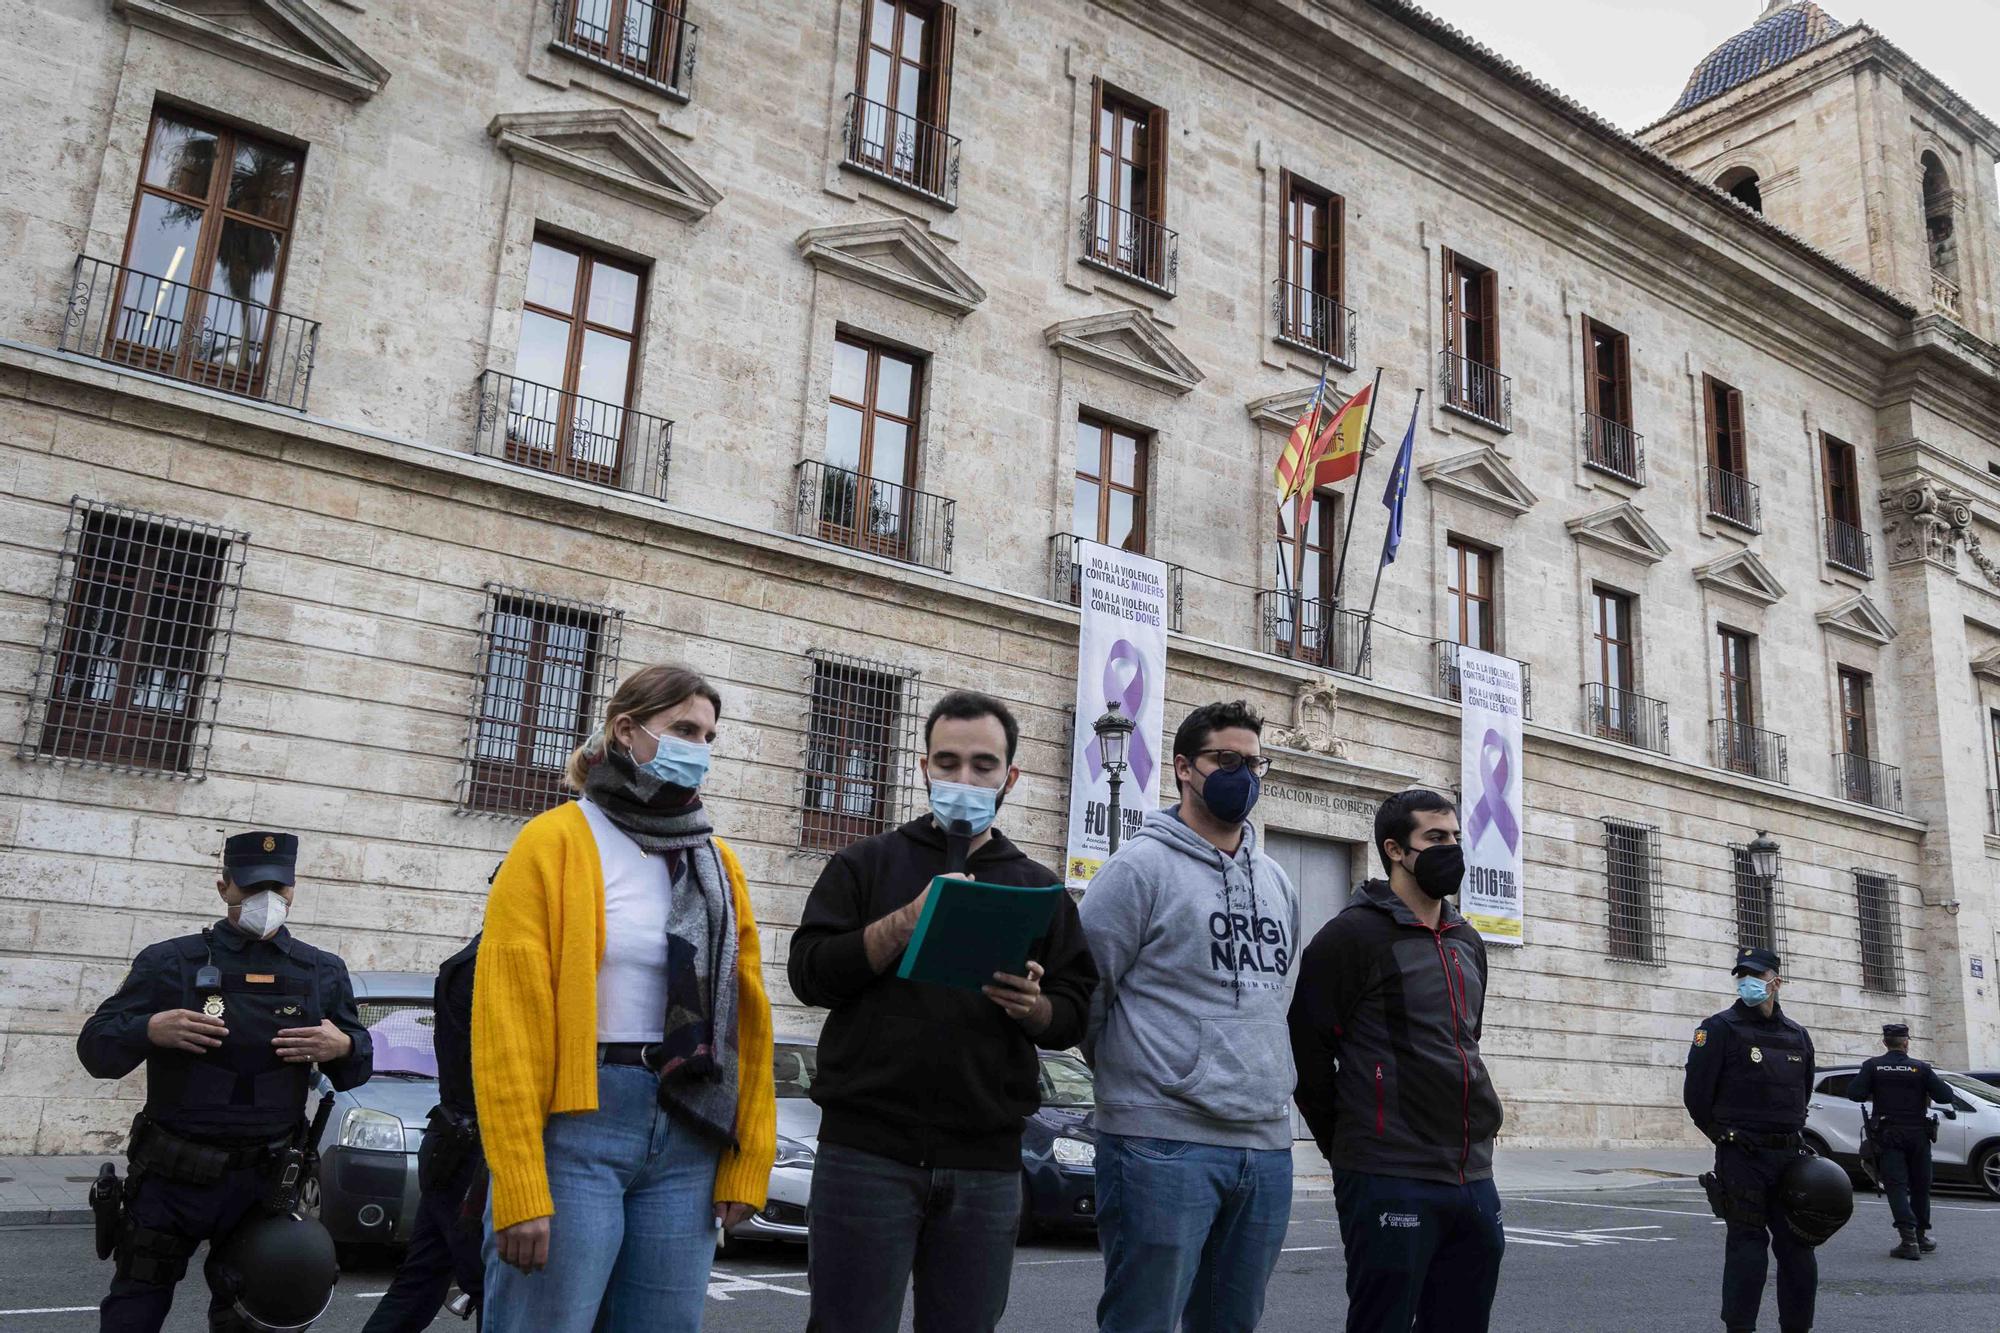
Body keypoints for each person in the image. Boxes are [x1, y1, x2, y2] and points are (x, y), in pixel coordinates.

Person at [475, 665, 776, 1333]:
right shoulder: (552, 841)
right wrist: (521, 1182)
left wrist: (746, 1161)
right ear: (626, 730)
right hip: (579, 1125)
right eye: (683, 729)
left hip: (689, 1130)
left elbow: (749, 1021)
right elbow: (508, 1025)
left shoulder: (717, 861)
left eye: (708, 734)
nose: (699, 745)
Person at [788, 689, 1096, 1333]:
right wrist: (905, 922)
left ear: (1010, 777)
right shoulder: (863, 865)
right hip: (866, 1151)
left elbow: (1075, 1010)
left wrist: (1035, 1009)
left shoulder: (1039, 887)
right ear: (923, 767)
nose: (964, 778)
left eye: (983, 766)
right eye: (948, 762)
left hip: (986, 1159)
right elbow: (809, 974)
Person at [76, 830, 373, 1333]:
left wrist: (342, 1047)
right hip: (173, 1177)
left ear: (293, 890)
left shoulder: (322, 970)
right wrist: (150, 1029)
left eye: (277, 890)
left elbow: (355, 1068)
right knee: (136, 1305)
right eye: (251, 888)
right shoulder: (171, 962)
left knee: (256, 1313)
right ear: (223, 888)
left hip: (266, 1182)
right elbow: (96, 1050)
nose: (265, 901)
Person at [1080, 699, 1301, 1333]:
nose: (1245, 776)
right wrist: (1157, 1078)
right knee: (1142, 1323)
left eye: (1256, 764)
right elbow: (1090, 993)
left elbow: (1278, 995)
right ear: (1183, 767)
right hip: (1160, 1139)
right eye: (1226, 760)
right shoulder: (1136, 870)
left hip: (1264, 1145)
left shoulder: (1278, 881)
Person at [1288, 788, 1506, 1333]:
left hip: (1472, 1173)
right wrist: (1350, 1141)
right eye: (1435, 838)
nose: (1451, 848)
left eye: (1455, 836)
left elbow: (1464, 1040)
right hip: (1388, 1173)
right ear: (1395, 850)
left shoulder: (1467, 941)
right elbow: (1306, 1050)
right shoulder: (1351, 937)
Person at [1684, 946, 1819, 1333]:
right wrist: (1723, 1136)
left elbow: (1803, 1091)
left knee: (1797, 1248)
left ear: (1775, 981)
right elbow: (1697, 1096)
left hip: (1790, 1158)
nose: (1748, 982)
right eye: (1742, 975)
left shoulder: (1797, 1035)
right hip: (1742, 1156)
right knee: (1747, 1246)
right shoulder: (1718, 1028)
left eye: (1756, 976)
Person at [363, 930, 484, 1330]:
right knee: (491, 1284)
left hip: (453, 1141)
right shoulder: (487, 964)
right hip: (472, 1149)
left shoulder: (469, 959)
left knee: (420, 1283)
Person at [1846, 1021, 1954, 1259]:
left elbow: (1854, 1094)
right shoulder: (1921, 1068)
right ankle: (1921, 1236)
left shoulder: (1873, 1066)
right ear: (1906, 1042)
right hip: (1918, 1134)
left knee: (1896, 1186)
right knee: (1920, 1186)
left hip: (1888, 1134)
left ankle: (1908, 1240)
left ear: (1885, 1042)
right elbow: (1946, 1096)